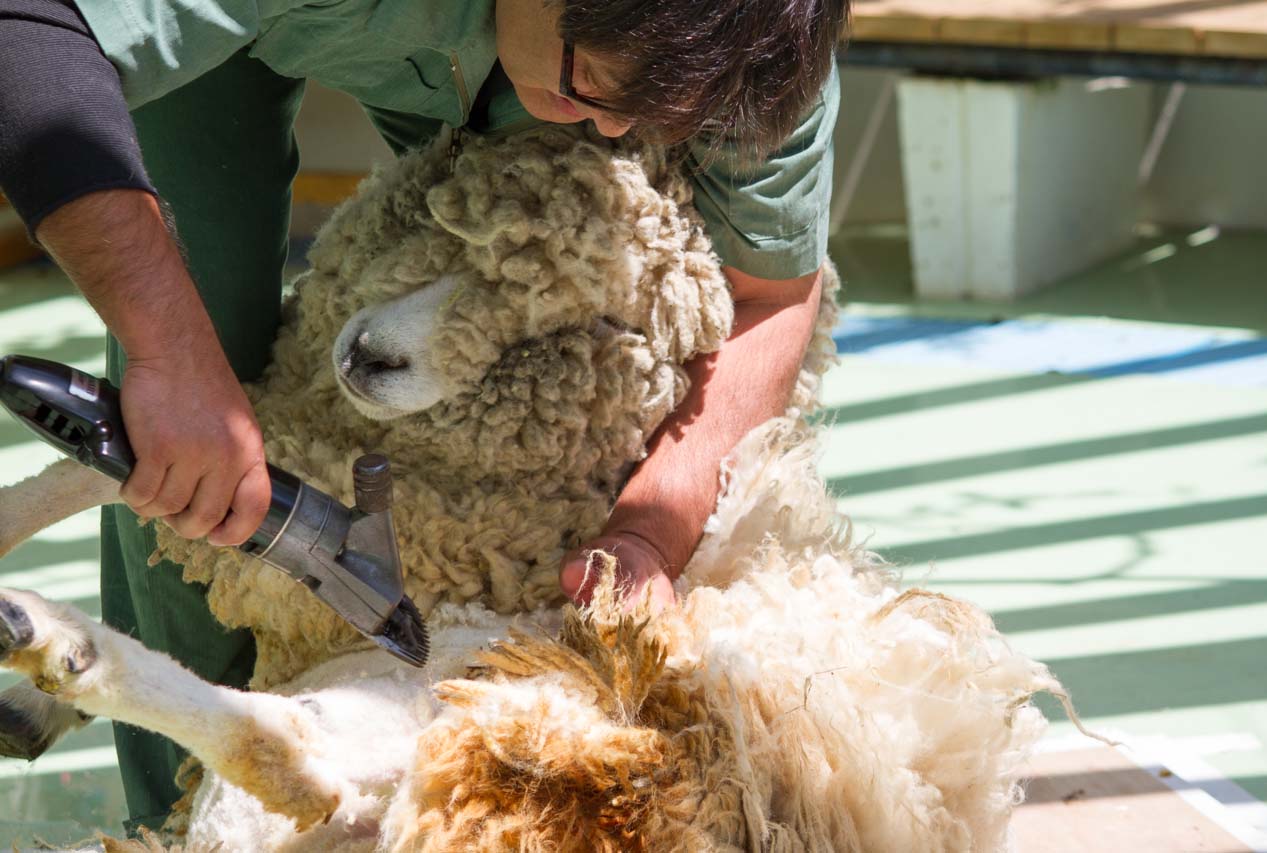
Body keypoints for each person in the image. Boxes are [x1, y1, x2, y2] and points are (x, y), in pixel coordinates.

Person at [0, 0, 848, 833]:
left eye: (649, 113)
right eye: (591, 80)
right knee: (196, 380)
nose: (617, 132)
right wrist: (173, 352)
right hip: (246, 30)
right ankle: (172, 818)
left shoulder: (754, 41)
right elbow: (28, 29)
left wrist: (646, 533)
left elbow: (771, 294)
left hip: (483, 115)